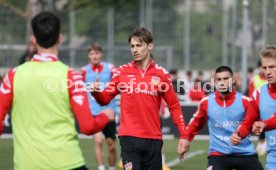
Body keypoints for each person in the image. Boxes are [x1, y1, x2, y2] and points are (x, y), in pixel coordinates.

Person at [0, 11, 114, 170]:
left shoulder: (12, 76)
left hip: (27, 165)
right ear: (59, 38)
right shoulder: (71, 76)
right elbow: (87, 127)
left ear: (34, 39)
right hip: (68, 163)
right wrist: (105, 116)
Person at [90, 27, 189, 170]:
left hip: (153, 140)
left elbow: (174, 106)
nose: (134, 49)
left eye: (139, 45)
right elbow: (105, 99)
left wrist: (184, 135)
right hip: (129, 138)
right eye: (132, 46)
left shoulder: (162, 74)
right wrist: (96, 93)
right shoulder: (121, 72)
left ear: (150, 46)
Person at [187, 66, 263, 170]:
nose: (222, 82)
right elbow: (195, 123)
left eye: (226, 79)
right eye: (219, 79)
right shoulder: (206, 101)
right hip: (218, 155)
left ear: (233, 80)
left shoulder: (246, 101)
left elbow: (258, 121)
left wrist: (257, 126)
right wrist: (185, 138)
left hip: (245, 153)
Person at [230, 45, 276, 169]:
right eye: (265, 67)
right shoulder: (258, 94)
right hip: (273, 158)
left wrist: (265, 124)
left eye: (272, 67)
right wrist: (238, 134)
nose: (267, 72)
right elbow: (247, 122)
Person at [81, 42, 119, 170]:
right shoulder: (84, 71)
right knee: (97, 141)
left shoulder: (110, 68)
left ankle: (112, 167)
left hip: (109, 111)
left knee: (111, 145)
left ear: (101, 54)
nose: (94, 56)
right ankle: (101, 168)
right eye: (91, 53)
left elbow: (119, 83)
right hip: (94, 111)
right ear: (88, 56)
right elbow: (80, 90)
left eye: (96, 53)